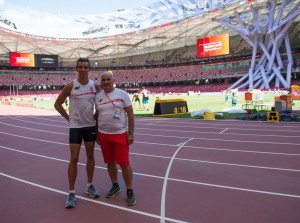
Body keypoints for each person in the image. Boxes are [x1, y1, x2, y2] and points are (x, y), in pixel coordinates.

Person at [54, 58, 100, 208]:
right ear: (77, 69)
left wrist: (96, 116)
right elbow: (57, 104)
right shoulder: (71, 86)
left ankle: (89, 185)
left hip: (90, 126)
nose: (83, 69)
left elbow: (101, 103)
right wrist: (68, 118)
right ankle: (71, 192)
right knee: (74, 157)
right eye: (80, 67)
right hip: (75, 127)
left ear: (89, 69)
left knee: (91, 156)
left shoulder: (95, 86)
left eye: (85, 67)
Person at [95, 71, 136, 206]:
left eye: (108, 79)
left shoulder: (122, 94)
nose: (106, 82)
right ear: (101, 82)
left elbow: (130, 115)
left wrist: (130, 133)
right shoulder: (98, 96)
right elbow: (97, 115)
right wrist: (96, 133)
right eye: (103, 80)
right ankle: (115, 185)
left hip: (120, 134)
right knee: (110, 163)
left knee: (124, 164)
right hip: (103, 134)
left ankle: (129, 190)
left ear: (113, 80)